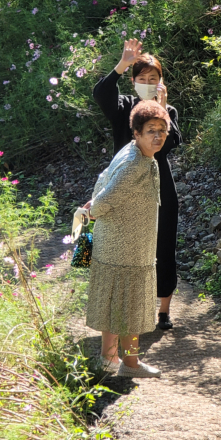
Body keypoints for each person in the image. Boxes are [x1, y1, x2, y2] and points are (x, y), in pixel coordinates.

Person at [93, 39, 181, 330]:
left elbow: (171, 145)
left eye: (152, 79)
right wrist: (122, 64)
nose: (147, 83)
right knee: (124, 247)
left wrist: (162, 108)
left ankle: (163, 311)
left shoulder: (168, 112)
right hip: (124, 185)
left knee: (164, 245)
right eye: (141, 79)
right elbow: (101, 93)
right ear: (133, 82)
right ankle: (124, 311)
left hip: (160, 187)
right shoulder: (124, 109)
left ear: (161, 82)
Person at [84, 101, 170, 378]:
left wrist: (92, 207)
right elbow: (107, 197)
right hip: (128, 247)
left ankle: (107, 359)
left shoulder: (132, 152)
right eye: (150, 131)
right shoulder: (136, 163)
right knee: (130, 306)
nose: (157, 136)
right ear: (136, 132)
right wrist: (93, 210)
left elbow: (102, 181)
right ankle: (130, 364)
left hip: (116, 242)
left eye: (162, 130)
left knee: (113, 302)